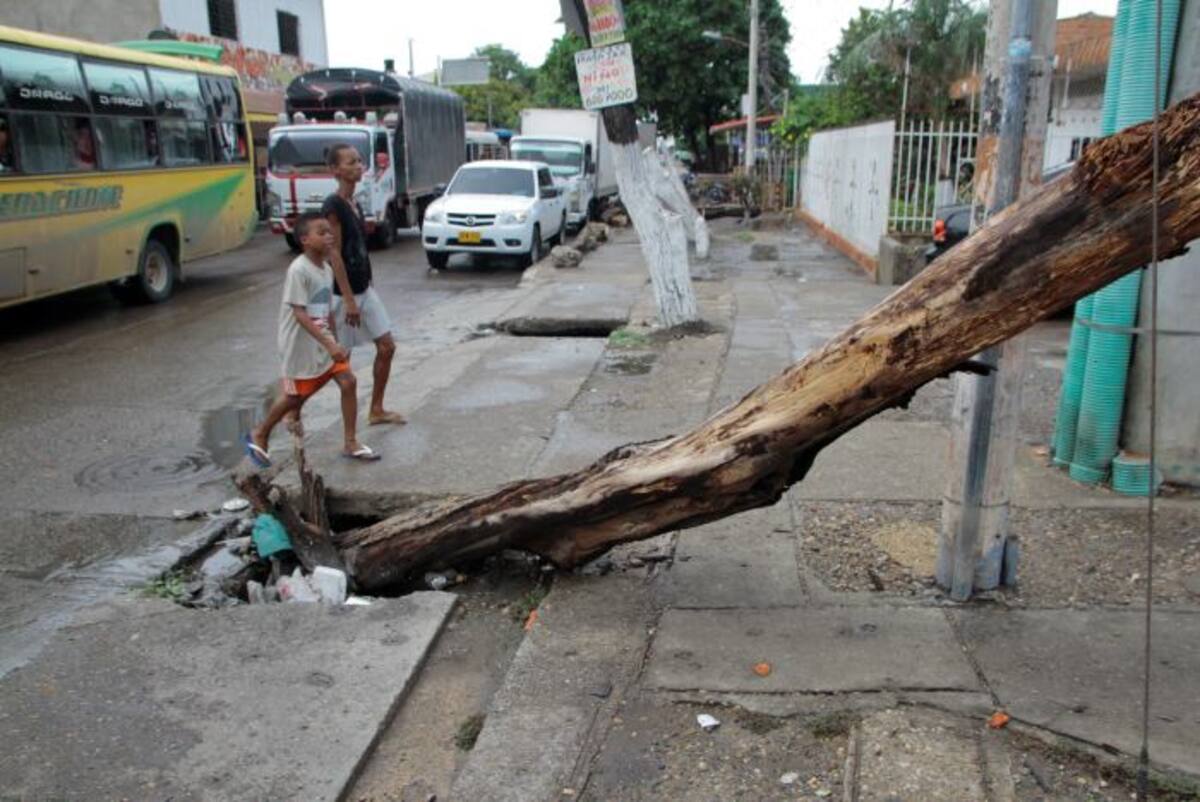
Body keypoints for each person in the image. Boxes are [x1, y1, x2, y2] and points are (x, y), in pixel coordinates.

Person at [245, 212, 381, 467]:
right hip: (300, 345)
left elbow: (326, 309)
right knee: (294, 398)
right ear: (305, 240)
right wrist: (329, 343)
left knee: (348, 381)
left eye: (330, 231)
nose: (329, 236)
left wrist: (335, 340)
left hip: (322, 340)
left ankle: (351, 442)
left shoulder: (326, 269)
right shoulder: (299, 270)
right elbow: (299, 313)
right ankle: (261, 432)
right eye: (322, 232)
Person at [321, 143, 407, 426]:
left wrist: (367, 283)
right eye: (350, 162)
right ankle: (292, 405)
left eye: (359, 161)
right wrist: (348, 300)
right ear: (335, 170)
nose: (358, 166)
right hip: (345, 293)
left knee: (387, 346)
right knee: (338, 362)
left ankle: (376, 409)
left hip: (364, 288)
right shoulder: (333, 205)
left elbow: (358, 249)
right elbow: (335, 253)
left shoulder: (354, 203)